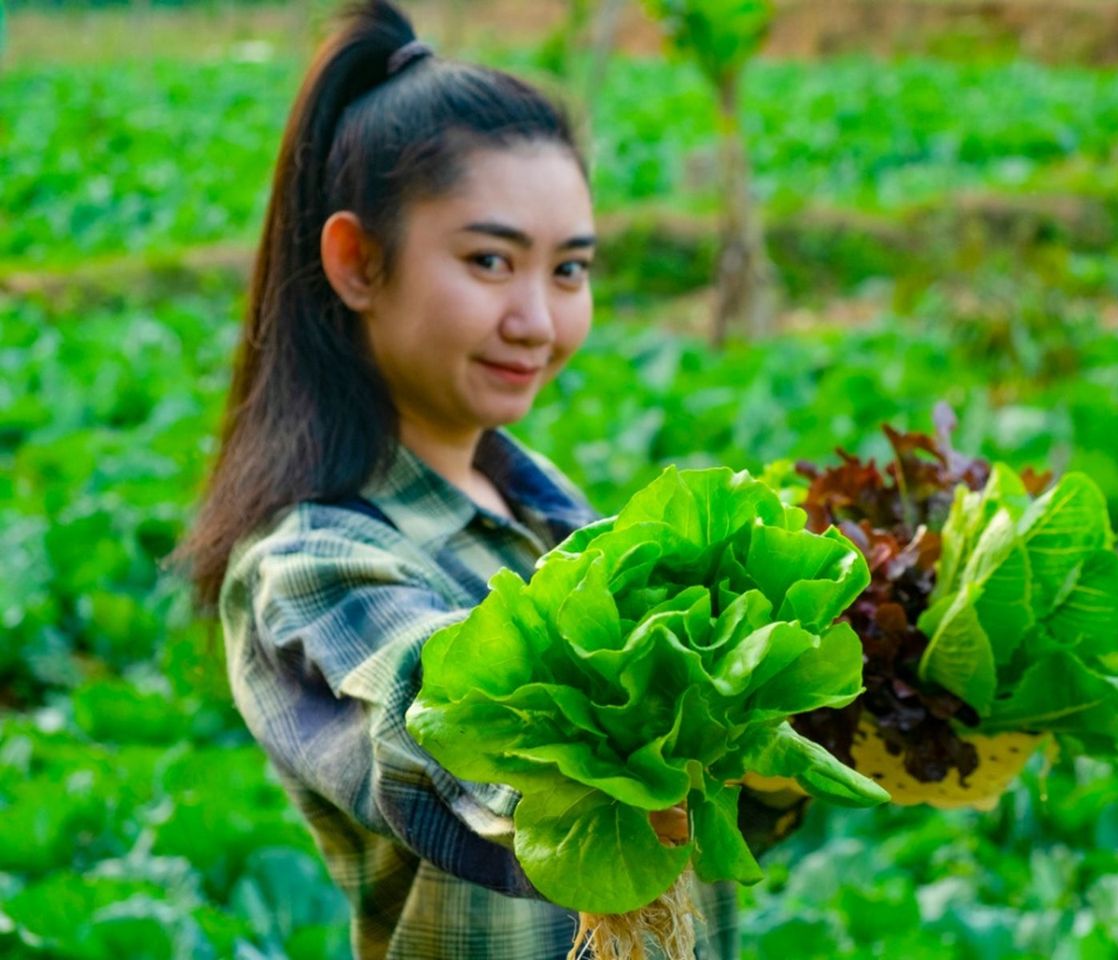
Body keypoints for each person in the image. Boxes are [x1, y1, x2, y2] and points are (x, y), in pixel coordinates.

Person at [177, 2, 803, 957]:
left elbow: (701, 832)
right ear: (357, 262)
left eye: (570, 270)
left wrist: (811, 727)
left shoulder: (544, 501)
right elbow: (457, 740)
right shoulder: (308, 566)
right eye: (490, 261)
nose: (538, 321)